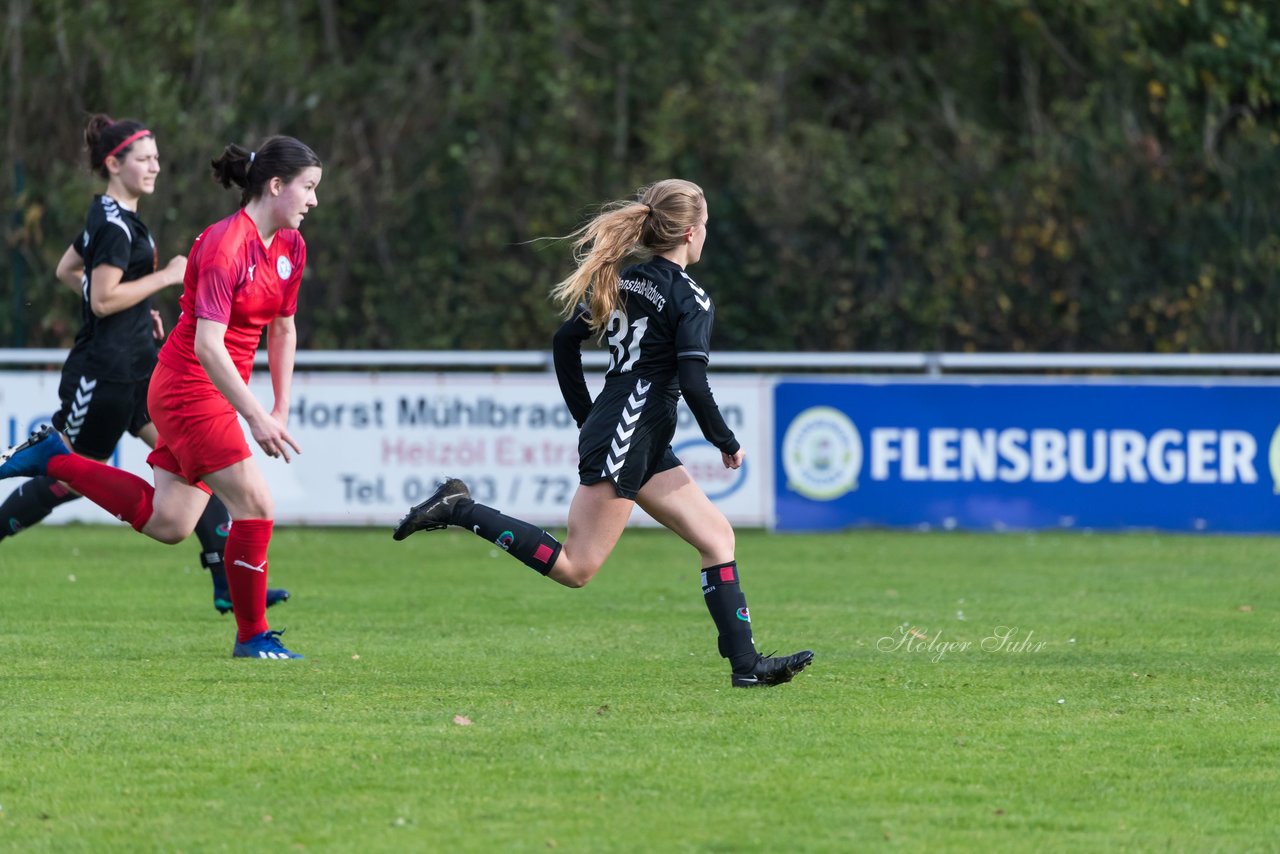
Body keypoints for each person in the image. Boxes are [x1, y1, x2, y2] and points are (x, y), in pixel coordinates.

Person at [392, 179, 813, 688]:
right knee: (575, 567)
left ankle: (746, 668)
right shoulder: (690, 298)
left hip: (636, 432)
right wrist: (726, 440)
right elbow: (694, 384)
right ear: (687, 233)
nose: (706, 236)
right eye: (704, 227)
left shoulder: (625, 281)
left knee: (716, 537)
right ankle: (459, 507)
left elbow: (564, 343)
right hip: (631, 432)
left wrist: (587, 416)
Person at [1, 134, 322, 660]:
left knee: (172, 523)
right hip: (188, 387)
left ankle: (55, 459)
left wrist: (280, 408)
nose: (312, 200)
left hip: (210, 387)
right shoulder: (225, 245)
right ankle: (252, 636)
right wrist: (255, 415)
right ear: (276, 185)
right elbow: (207, 345)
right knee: (256, 504)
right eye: (307, 188)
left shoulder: (290, 245)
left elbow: (283, 328)